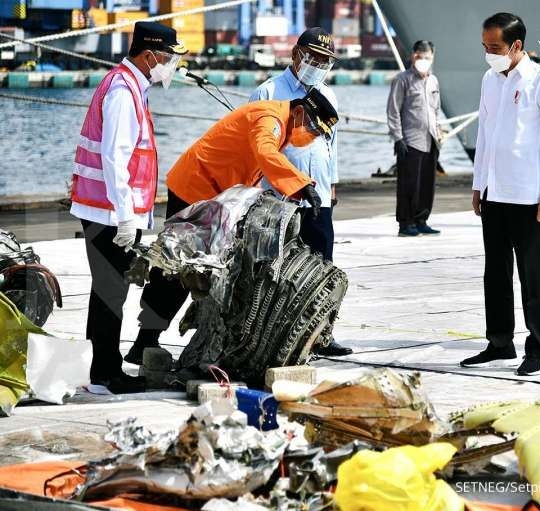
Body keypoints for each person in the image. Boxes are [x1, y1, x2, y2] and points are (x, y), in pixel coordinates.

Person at [124, 89, 339, 364]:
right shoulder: (270, 118)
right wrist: (301, 184)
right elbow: (265, 151)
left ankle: (159, 341)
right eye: (311, 127)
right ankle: (144, 343)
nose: (310, 135)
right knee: (179, 268)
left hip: (216, 196)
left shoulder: (284, 125)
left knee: (205, 269)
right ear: (299, 112)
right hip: (196, 187)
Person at [70, 21, 186, 393]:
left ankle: (103, 369)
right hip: (109, 213)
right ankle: (106, 374)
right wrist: (125, 217)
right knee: (110, 292)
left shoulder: (132, 85)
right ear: (150, 55)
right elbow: (114, 158)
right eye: (168, 58)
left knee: (109, 290)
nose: (171, 66)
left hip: (107, 210)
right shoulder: (122, 90)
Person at [460, 12, 540, 376]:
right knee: (496, 272)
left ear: (516, 46)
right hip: (495, 192)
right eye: (485, 46)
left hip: (530, 196)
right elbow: (486, 137)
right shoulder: (490, 80)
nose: (488, 53)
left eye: (495, 47)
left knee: (533, 276)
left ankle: (537, 348)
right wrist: (479, 185)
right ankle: (499, 342)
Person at [249, 28, 351, 357]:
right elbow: (256, 150)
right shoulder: (268, 93)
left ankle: (321, 335)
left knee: (322, 268)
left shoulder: (328, 96)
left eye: (326, 61)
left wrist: (331, 186)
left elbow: (331, 147)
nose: (319, 65)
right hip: (278, 201)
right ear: (296, 55)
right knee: (275, 272)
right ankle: (272, 338)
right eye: (314, 58)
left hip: (318, 198)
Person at [386, 40, 442, 237]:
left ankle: (421, 220)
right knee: (409, 185)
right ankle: (405, 223)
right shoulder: (402, 80)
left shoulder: (433, 81)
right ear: (412, 56)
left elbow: (436, 109)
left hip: (430, 140)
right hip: (410, 140)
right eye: (419, 56)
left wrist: (439, 132)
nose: (423, 60)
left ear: (432, 58)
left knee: (427, 184)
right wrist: (398, 138)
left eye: (427, 57)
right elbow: (393, 111)